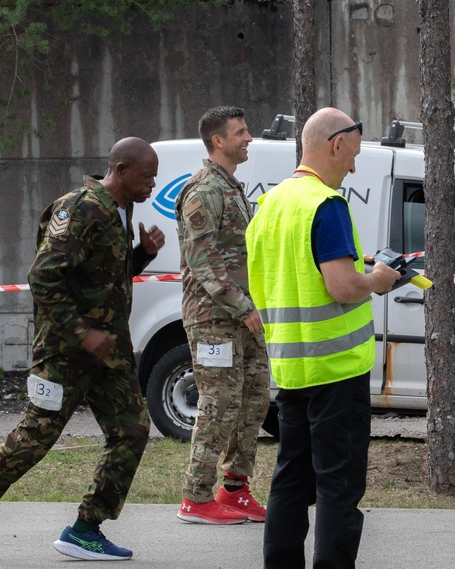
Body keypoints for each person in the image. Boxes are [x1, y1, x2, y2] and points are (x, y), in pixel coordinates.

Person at [0, 137, 165, 562]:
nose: (152, 185)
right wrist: (83, 334)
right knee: (37, 437)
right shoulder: (79, 207)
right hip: (66, 352)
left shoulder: (119, 211)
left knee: (132, 431)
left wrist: (141, 255)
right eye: (147, 176)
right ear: (121, 169)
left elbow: (103, 275)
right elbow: (44, 278)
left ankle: (86, 528)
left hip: (108, 353)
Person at [245, 107, 400, 568]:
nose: (353, 165)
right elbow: (343, 287)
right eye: (353, 154)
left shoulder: (270, 205)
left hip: (292, 368)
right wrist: (378, 279)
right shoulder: (326, 205)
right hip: (337, 369)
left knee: (291, 479)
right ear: (336, 145)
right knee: (339, 485)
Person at [175, 106, 271, 525]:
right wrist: (242, 305)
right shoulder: (204, 190)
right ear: (219, 140)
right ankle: (195, 498)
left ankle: (234, 489)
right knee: (218, 404)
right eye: (241, 132)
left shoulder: (231, 188)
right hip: (214, 317)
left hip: (242, 315)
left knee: (253, 398)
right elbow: (203, 261)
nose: (248, 138)